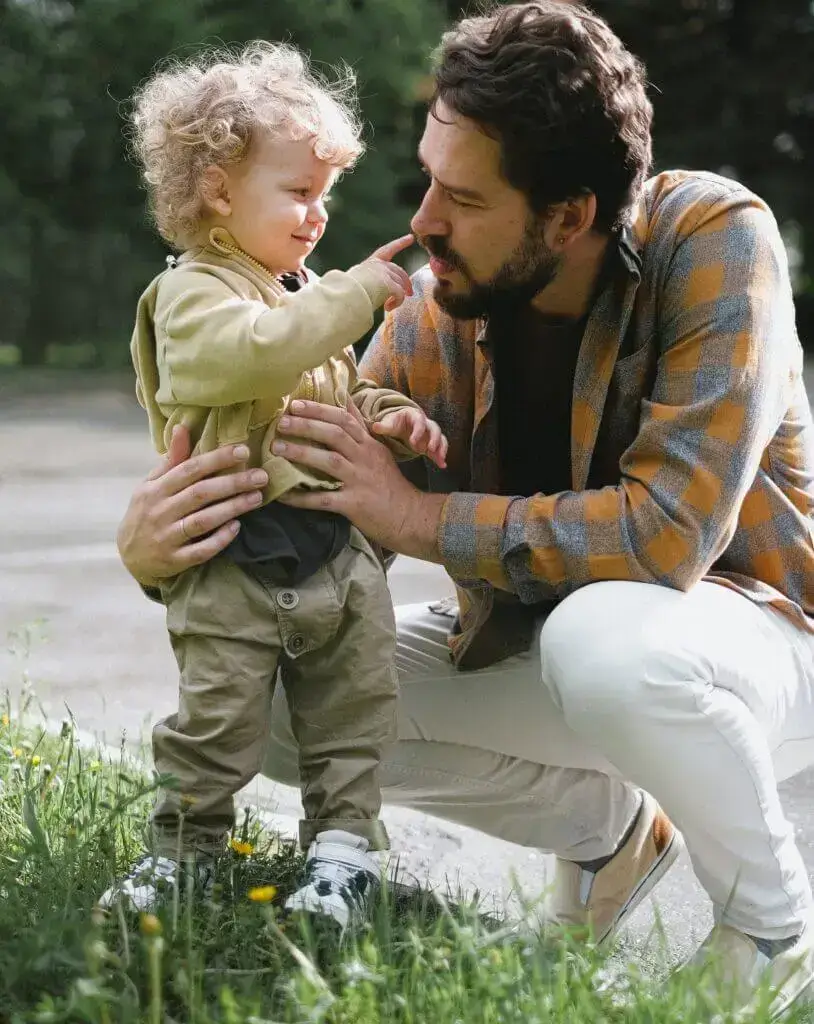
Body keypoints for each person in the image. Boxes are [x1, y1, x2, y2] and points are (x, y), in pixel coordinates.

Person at [116, 2, 814, 1015]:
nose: (424, 218)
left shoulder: (710, 238)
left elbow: (666, 535)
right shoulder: (439, 301)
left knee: (603, 641)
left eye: (464, 196)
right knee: (280, 702)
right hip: (541, 647)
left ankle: (767, 923)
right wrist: (158, 548)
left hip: (751, 639)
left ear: (566, 215)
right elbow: (332, 508)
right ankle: (611, 834)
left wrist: (416, 519)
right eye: (428, 177)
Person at [100, 40, 449, 929]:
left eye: (325, 195)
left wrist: (386, 412)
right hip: (232, 564)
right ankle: (183, 852)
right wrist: (358, 293)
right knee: (215, 725)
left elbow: (324, 375)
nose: (318, 215)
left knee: (354, 718)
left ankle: (341, 856)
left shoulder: (291, 294)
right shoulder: (195, 293)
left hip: (333, 559)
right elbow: (246, 357)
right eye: (299, 192)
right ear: (219, 190)